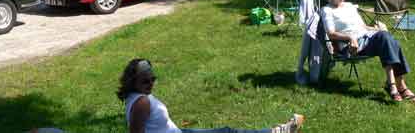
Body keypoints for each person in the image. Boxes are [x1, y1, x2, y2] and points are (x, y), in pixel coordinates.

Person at [117, 58, 304, 133]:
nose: (151, 84)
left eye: (153, 79)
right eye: (145, 81)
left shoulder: (136, 97)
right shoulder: (141, 102)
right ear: (133, 81)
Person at [321, 0, 415, 103]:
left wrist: (376, 28)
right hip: (351, 46)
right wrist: (350, 37)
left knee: (387, 36)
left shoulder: (349, 6)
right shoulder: (327, 10)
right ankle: (396, 85)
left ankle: (394, 85)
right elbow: (331, 34)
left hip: (365, 38)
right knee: (386, 38)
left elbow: (362, 27)